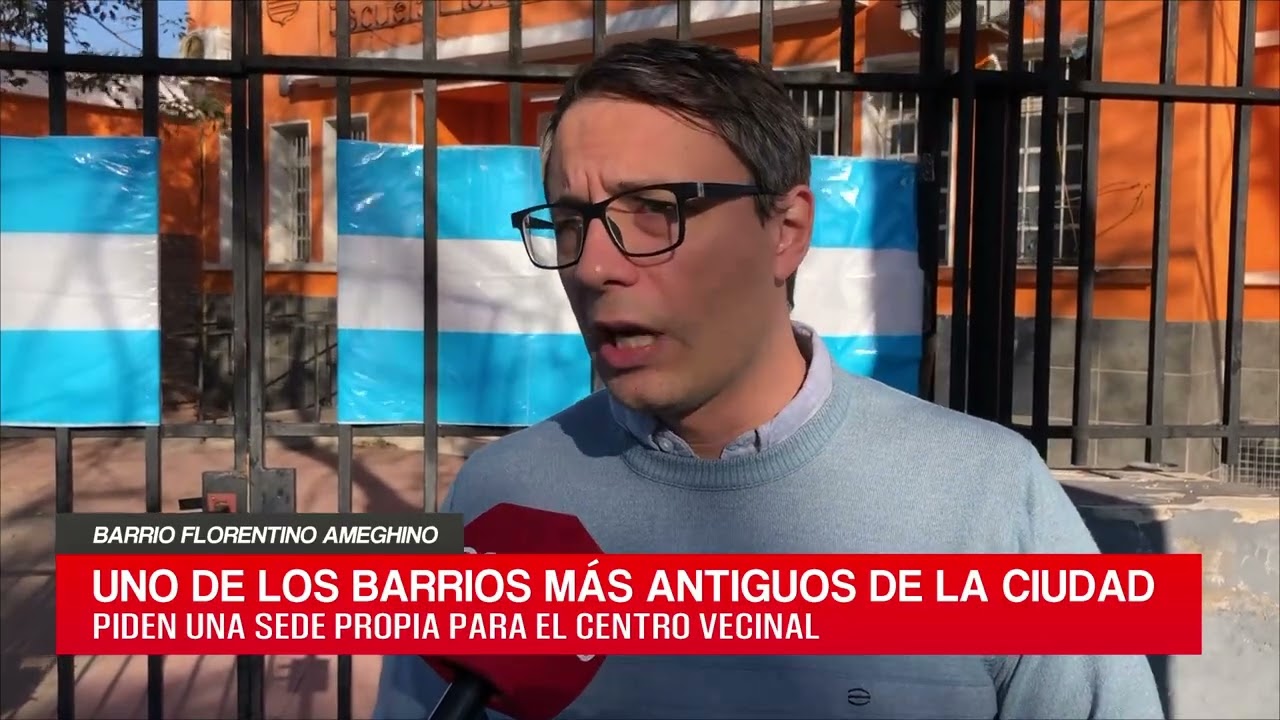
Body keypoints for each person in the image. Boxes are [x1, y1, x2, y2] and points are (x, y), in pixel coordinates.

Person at [373, 38, 1164, 720]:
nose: (595, 266)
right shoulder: (501, 496)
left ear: (785, 231)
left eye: (654, 209)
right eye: (572, 220)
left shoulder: (984, 493)